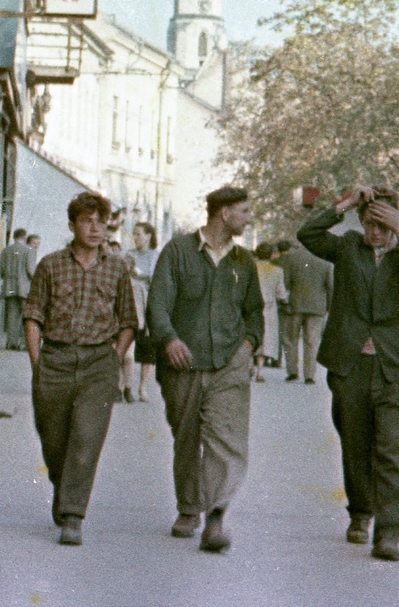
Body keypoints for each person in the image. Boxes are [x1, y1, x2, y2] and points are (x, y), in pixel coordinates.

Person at [299, 186, 399, 562]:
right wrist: (343, 205)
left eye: (382, 225)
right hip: (351, 365)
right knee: (355, 445)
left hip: (393, 366)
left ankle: (388, 532)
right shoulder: (347, 248)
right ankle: (361, 513)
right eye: (368, 224)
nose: (374, 232)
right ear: (360, 222)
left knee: (388, 447)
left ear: (394, 223)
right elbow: (307, 234)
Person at [148, 186, 264, 553]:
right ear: (224, 214)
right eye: (244, 211)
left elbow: (255, 312)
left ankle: (214, 519)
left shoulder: (244, 261)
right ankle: (188, 508)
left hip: (229, 362)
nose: (248, 218)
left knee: (225, 440)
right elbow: (157, 305)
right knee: (187, 437)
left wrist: (248, 347)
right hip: (183, 363)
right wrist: (169, 340)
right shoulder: (178, 252)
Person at [23, 193, 137, 546]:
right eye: (87, 221)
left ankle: (73, 515)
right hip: (55, 361)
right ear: (72, 225)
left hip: (98, 364)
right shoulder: (50, 265)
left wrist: (114, 358)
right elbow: (32, 316)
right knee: (54, 441)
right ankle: (63, 487)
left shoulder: (117, 268)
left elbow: (128, 321)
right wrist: (38, 364)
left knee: (87, 438)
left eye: (101, 222)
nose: (95, 228)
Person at [280, 236, 332, 384]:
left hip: (294, 305)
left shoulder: (291, 258)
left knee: (290, 340)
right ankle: (309, 375)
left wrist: (284, 302)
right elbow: (330, 286)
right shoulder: (325, 260)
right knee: (312, 342)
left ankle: (292, 372)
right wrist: (328, 307)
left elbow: (285, 282)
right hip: (317, 307)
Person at [122, 222, 160, 404]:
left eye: (138, 234)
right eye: (134, 234)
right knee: (127, 346)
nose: (135, 237)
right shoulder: (129, 254)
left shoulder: (156, 256)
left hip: (150, 305)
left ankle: (143, 387)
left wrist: (139, 274)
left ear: (148, 236)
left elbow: (157, 279)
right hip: (132, 304)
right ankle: (124, 384)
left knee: (149, 348)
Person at [253, 242, 287, 382]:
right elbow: (281, 293)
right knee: (265, 338)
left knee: (250, 335)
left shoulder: (251, 267)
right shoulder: (277, 271)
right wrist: (286, 298)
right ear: (272, 255)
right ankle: (259, 372)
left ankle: (249, 365)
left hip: (251, 306)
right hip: (268, 308)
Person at [0, 229, 33, 351]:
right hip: (25, 289)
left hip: (9, 288)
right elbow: (30, 270)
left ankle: (11, 342)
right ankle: (24, 343)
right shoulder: (29, 250)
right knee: (26, 316)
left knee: (12, 316)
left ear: (14, 237)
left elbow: (1, 270)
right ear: (24, 237)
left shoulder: (6, 251)